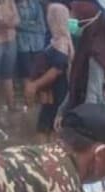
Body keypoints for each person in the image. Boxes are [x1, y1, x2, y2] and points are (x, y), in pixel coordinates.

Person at [57, 1, 105, 118]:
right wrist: (61, 111)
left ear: (88, 19)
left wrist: (83, 122)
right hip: (88, 111)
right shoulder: (86, 46)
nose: (70, 19)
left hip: (96, 118)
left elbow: (93, 95)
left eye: (74, 16)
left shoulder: (96, 54)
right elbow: (75, 83)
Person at [25, 3, 74, 141]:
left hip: (56, 94)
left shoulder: (61, 43)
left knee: (46, 127)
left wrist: (35, 85)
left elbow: (56, 70)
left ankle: (47, 158)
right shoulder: (59, 40)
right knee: (50, 126)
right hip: (54, 93)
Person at [15, 0, 47, 108]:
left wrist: (23, 26)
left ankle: (43, 106)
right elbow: (15, 24)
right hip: (22, 45)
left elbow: (41, 26)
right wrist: (31, 25)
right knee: (27, 75)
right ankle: (29, 106)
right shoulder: (14, 6)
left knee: (40, 74)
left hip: (38, 44)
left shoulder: (36, 5)